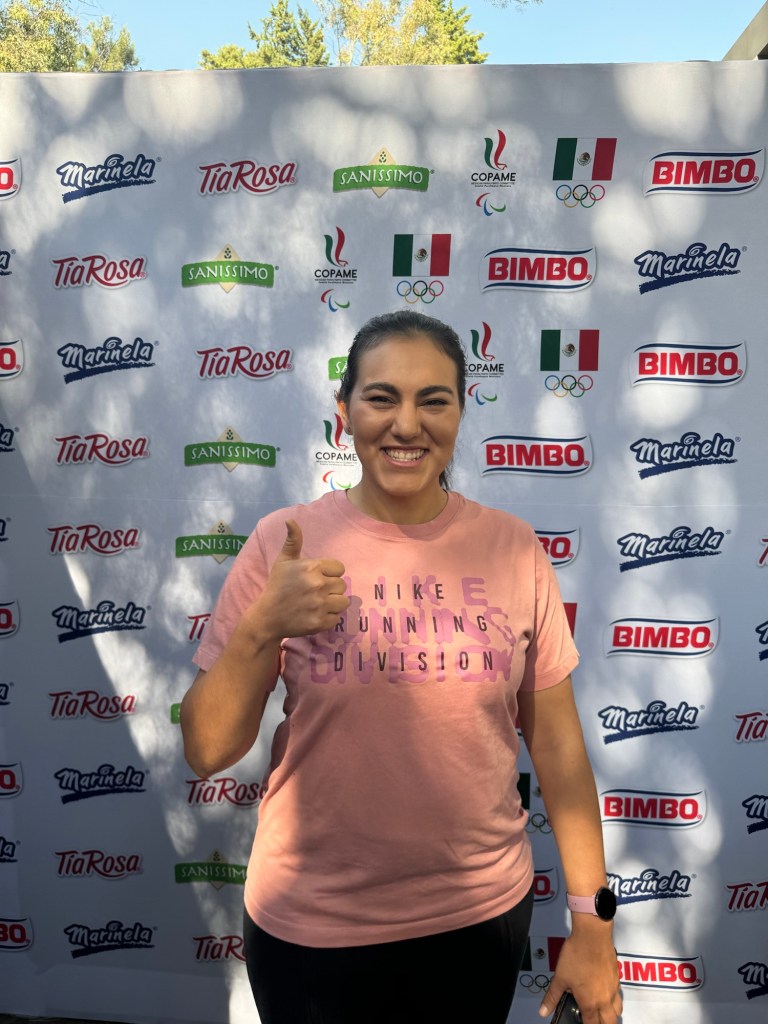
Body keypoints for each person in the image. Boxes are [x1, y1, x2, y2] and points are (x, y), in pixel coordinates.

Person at [180, 310, 622, 1024]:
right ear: (344, 412)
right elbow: (206, 750)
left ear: (460, 413)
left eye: (432, 400)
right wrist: (262, 625)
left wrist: (594, 926)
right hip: (311, 928)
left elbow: (560, 751)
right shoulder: (283, 544)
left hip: (477, 921)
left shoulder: (513, 550)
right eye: (382, 398)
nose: (406, 424)